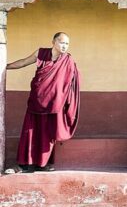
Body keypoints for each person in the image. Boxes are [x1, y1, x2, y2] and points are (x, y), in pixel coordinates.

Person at [4, 32, 80, 174]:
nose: (65, 46)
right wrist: (5, 66)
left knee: (47, 134)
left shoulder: (68, 60)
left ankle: (43, 164)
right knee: (29, 131)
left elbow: (72, 83)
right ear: (53, 42)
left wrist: (66, 101)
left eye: (67, 44)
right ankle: (23, 165)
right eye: (62, 42)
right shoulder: (41, 53)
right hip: (37, 100)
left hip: (54, 104)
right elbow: (23, 62)